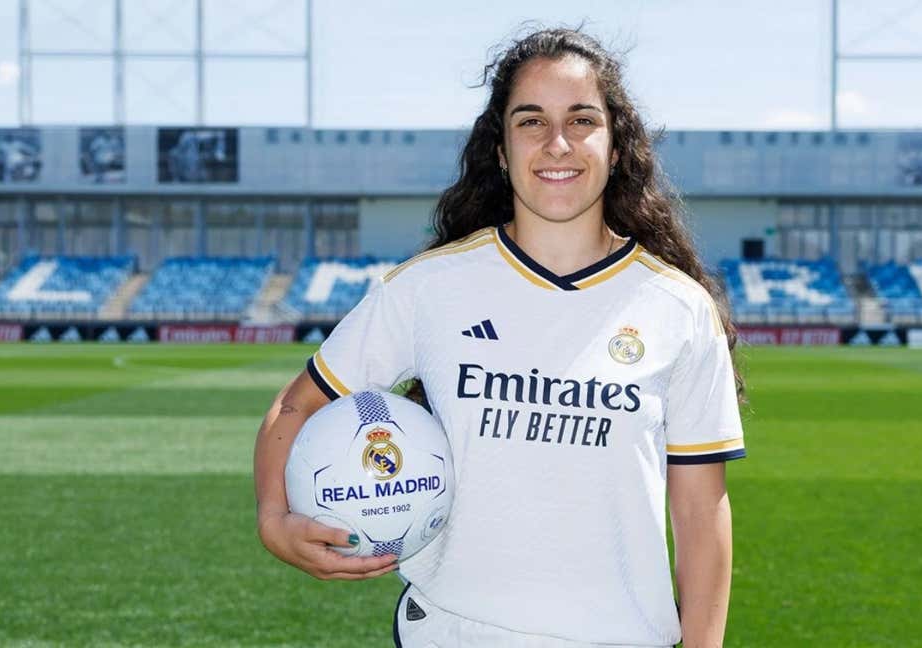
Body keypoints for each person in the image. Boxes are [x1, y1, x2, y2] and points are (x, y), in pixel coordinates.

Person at [254, 27, 745, 648]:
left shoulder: (677, 307)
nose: (557, 143)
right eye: (531, 121)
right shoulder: (430, 287)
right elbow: (297, 404)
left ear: (617, 146)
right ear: (501, 150)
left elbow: (701, 514)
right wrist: (274, 519)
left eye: (583, 120)